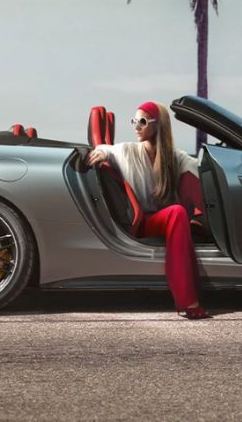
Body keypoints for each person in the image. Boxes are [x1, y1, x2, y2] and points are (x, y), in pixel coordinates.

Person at [86, 101, 210, 320]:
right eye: (134, 121)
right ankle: (188, 301)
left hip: (160, 220)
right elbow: (106, 150)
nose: (136, 126)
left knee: (178, 212)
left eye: (142, 121)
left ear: (158, 125)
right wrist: (101, 152)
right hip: (139, 222)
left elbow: (197, 169)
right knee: (178, 213)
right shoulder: (127, 151)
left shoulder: (174, 157)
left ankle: (201, 228)